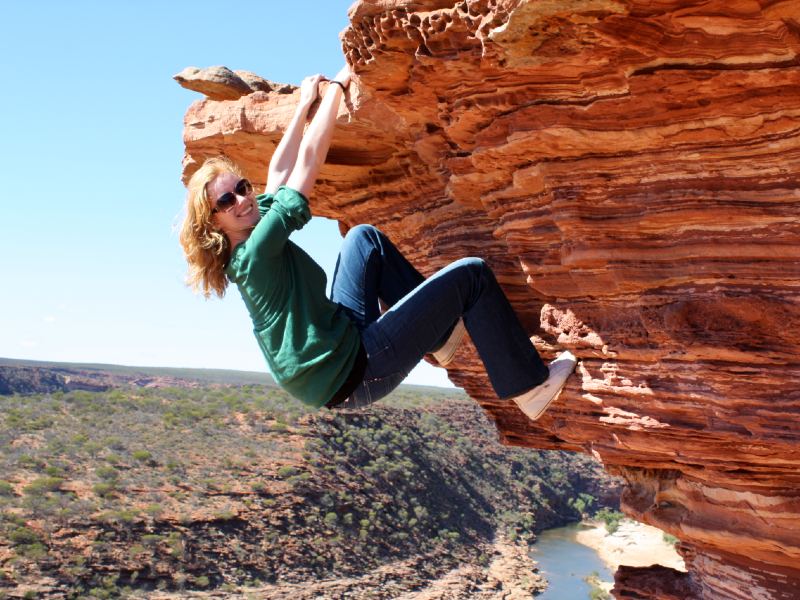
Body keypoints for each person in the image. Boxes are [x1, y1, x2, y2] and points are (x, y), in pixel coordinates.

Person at [179, 64, 576, 419]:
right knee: (471, 275)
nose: (244, 200)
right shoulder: (255, 251)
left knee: (362, 239)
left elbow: (279, 173)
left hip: (338, 344)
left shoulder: (248, 226)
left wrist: (304, 105)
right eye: (227, 200)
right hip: (354, 375)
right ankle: (529, 388)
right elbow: (306, 168)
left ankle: (437, 337)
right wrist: (334, 89)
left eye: (242, 187)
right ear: (213, 221)